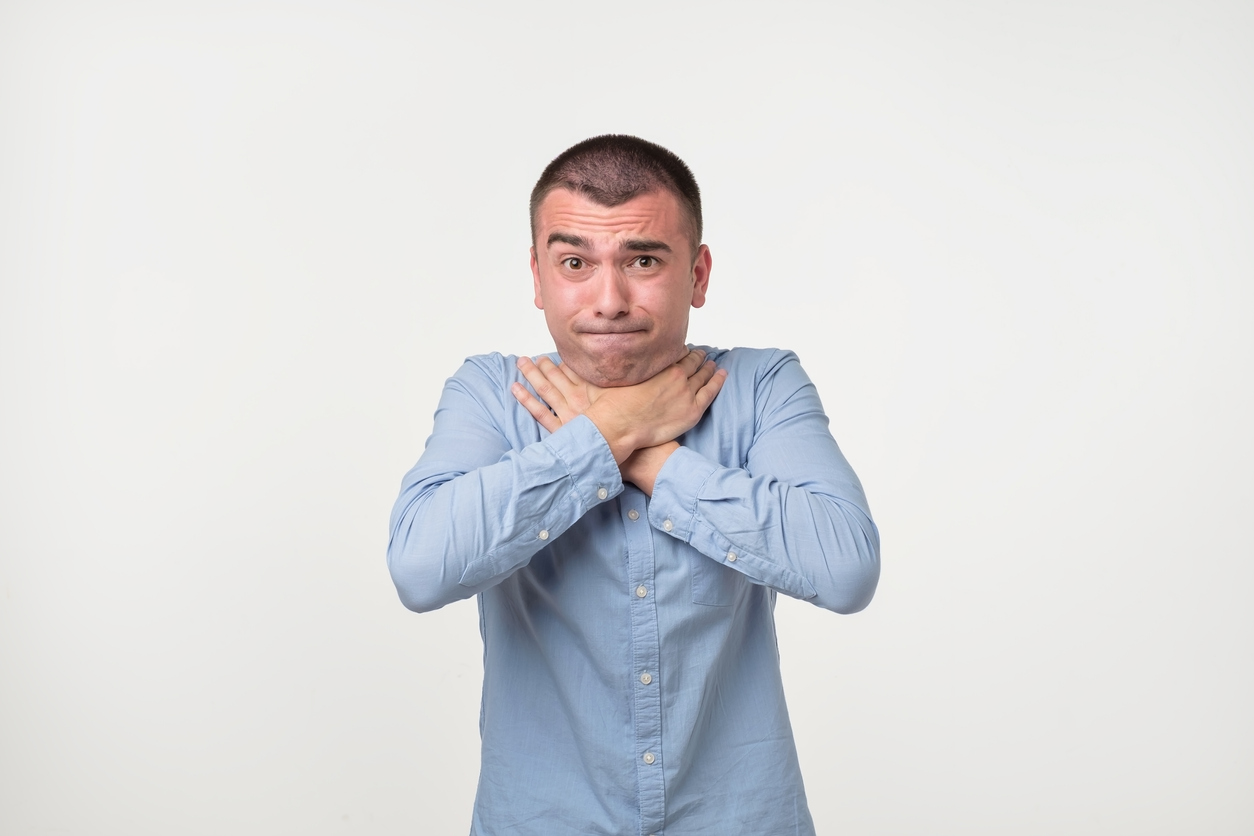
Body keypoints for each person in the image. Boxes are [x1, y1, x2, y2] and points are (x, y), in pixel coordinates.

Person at [388, 135, 880, 835]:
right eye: (575, 263)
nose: (609, 299)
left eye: (642, 260)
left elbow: (846, 568)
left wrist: (642, 451)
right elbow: (419, 567)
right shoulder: (491, 394)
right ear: (537, 274)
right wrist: (607, 436)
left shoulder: (762, 386)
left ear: (699, 274)